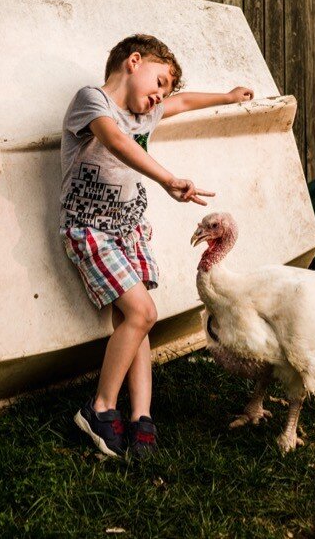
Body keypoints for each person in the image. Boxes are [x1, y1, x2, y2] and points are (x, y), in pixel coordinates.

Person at [60, 33, 254, 458]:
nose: (160, 97)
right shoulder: (92, 101)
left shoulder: (148, 112)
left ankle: (140, 416)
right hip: (91, 229)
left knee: (137, 320)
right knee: (143, 313)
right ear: (134, 61)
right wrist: (168, 179)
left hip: (129, 228)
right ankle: (99, 408)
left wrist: (226, 96)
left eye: (165, 90)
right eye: (160, 82)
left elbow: (182, 103)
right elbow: (115, 141)